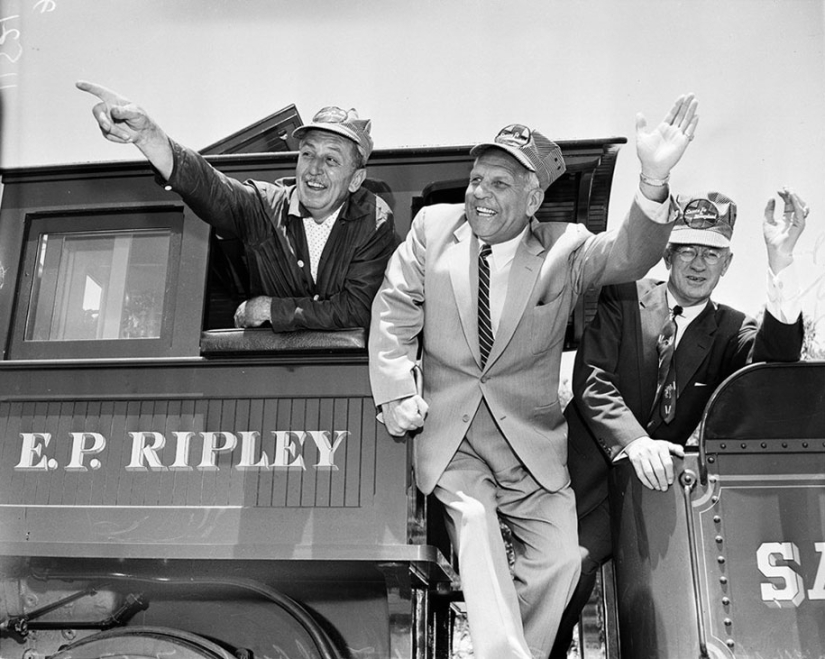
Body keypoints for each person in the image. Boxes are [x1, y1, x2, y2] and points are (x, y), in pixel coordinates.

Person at [368, 94, 699, 659]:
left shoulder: (565, 248)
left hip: (531, 448)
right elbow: (394, 310)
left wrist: (654, 180)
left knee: (562, 561)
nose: (479, 193)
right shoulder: (432, 228)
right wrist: (397, 390)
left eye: (499, 183)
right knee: (474, 521)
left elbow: (629, 255)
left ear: (533, 199)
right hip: (452, 438)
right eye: (476, 179)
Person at [551, 187, 807, 657]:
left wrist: (781, 260)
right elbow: (592, 378)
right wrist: (634, 442)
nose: (698, 263)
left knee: (622, 588)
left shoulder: (731, 329)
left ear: (727, 264)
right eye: (687, 249)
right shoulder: (624, 293)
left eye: (712, 253)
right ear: (667, 254)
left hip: (643, 498)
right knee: (555, 574)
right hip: (571, 479)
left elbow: (774, 363)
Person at [77, 81, 397, 332]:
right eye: (308, 154)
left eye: (331, 160)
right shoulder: (265, 205)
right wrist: (148, 137)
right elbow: (211, 188)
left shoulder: (373, 220)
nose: (314, 169)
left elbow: (357, 311)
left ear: (356, 180)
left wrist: (269, 308)